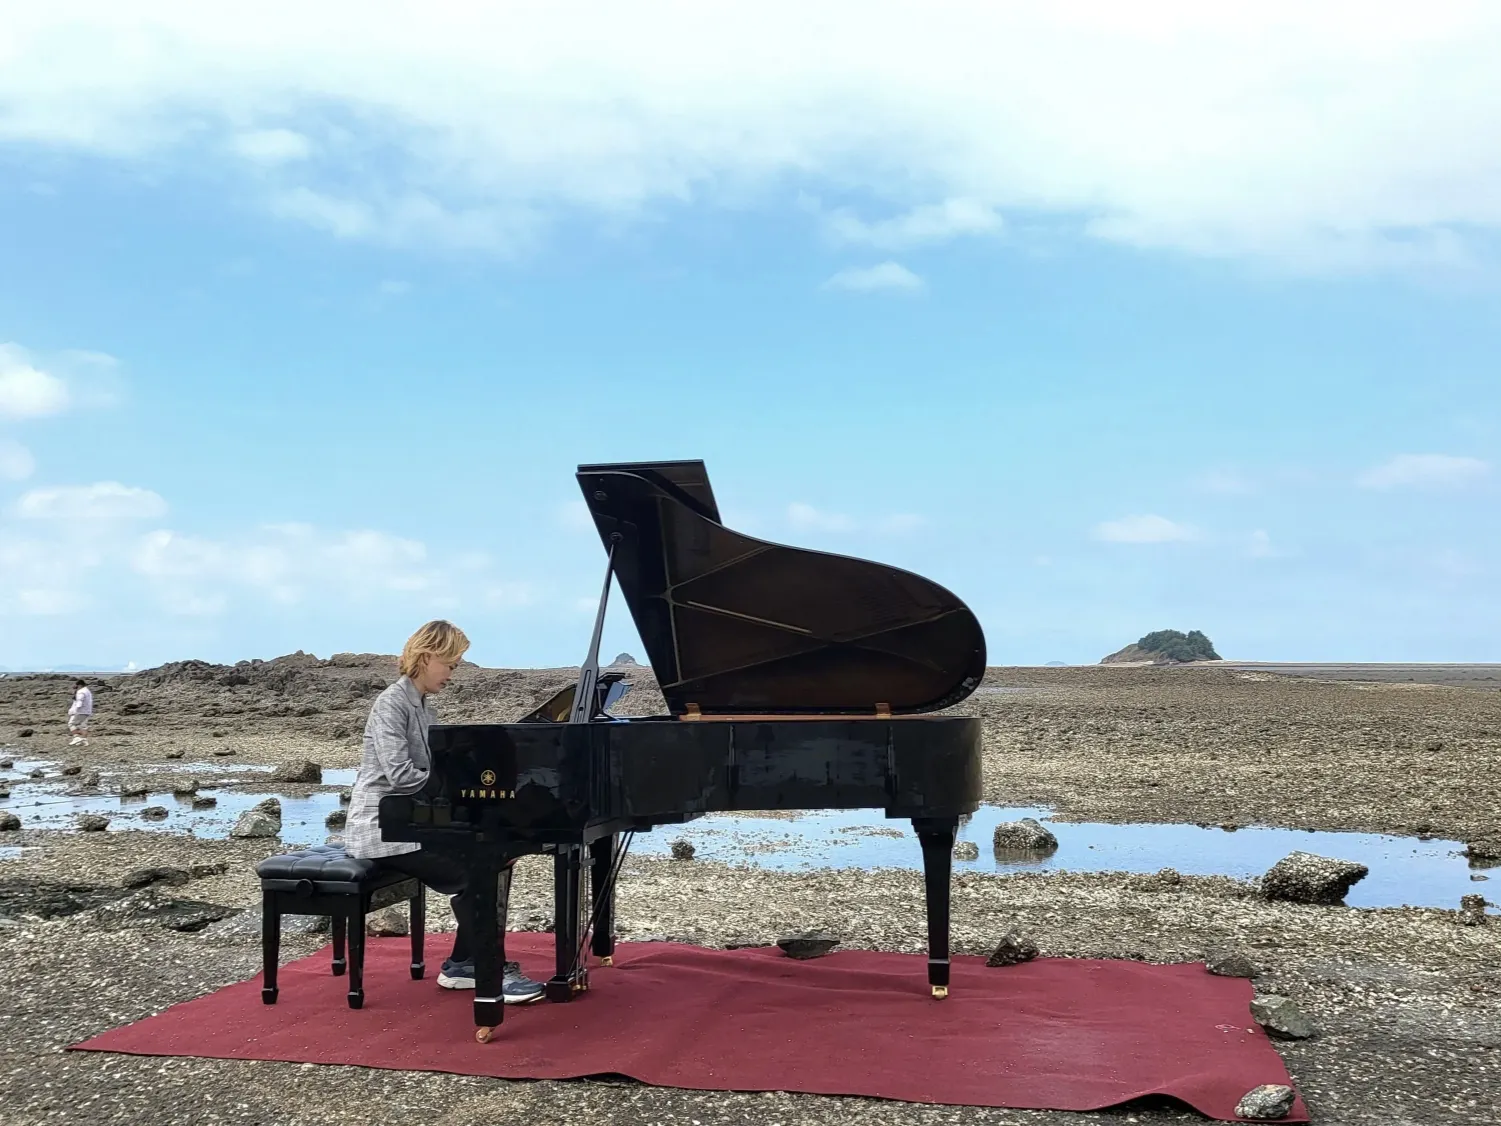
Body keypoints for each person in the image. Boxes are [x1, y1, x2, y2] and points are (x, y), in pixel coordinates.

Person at [344, 620, 544, 1001]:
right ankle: (488, 971)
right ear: (426, 657)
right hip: (380, 826)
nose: (452, 673)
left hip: (413, 820)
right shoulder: (390, 704)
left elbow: (435, 770)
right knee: (474, 872)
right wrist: (454, 787)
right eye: (449, 664)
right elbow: (401, 776)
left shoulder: (423, 708)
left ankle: (462, 964)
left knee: (497, 858)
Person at [67, 679, 93, 746]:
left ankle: (76, 738)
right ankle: (84, 740)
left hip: (80, 711)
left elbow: (79, 702)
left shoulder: (81, 692)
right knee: (83, 726)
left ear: (80, 685)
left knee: (71, 724)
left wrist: (75, 710)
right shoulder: (87, 691)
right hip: (87, 711)